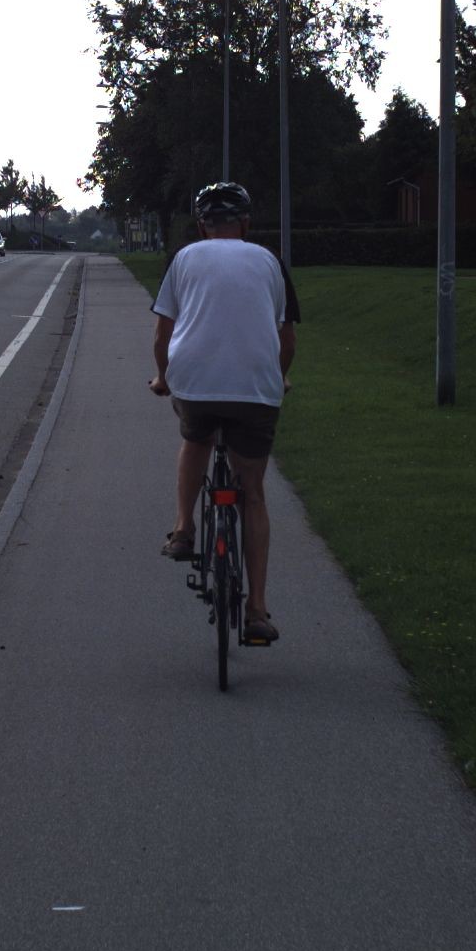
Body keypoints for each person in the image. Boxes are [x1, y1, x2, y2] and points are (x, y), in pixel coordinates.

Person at [147, 182, 299, 644]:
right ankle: (256, 610)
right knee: (252, 494)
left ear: (201, 226)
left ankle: (183, 529)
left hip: (195, 381)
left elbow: (162, 335)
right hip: (255, 388)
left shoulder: (184, 258)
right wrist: (278, 377)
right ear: (246, 224)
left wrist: (163, 378)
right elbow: (286, 339)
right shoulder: (270, 261)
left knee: (195, 438)